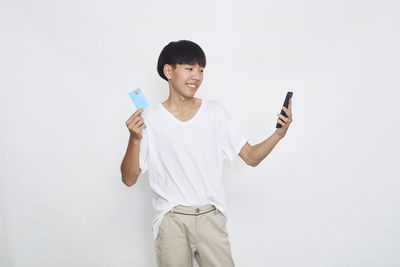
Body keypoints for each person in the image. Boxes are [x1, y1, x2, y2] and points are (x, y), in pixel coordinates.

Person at [120, 40, 293, 267]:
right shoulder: (148, 119)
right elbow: (129, 178)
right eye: (189, 68)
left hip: (211, 216)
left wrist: (278, 135)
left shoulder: (215, 113)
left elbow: (250, 157)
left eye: (201, 70)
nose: (197, 77)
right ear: (168, 71)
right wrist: (134, 139)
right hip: (171, 219)